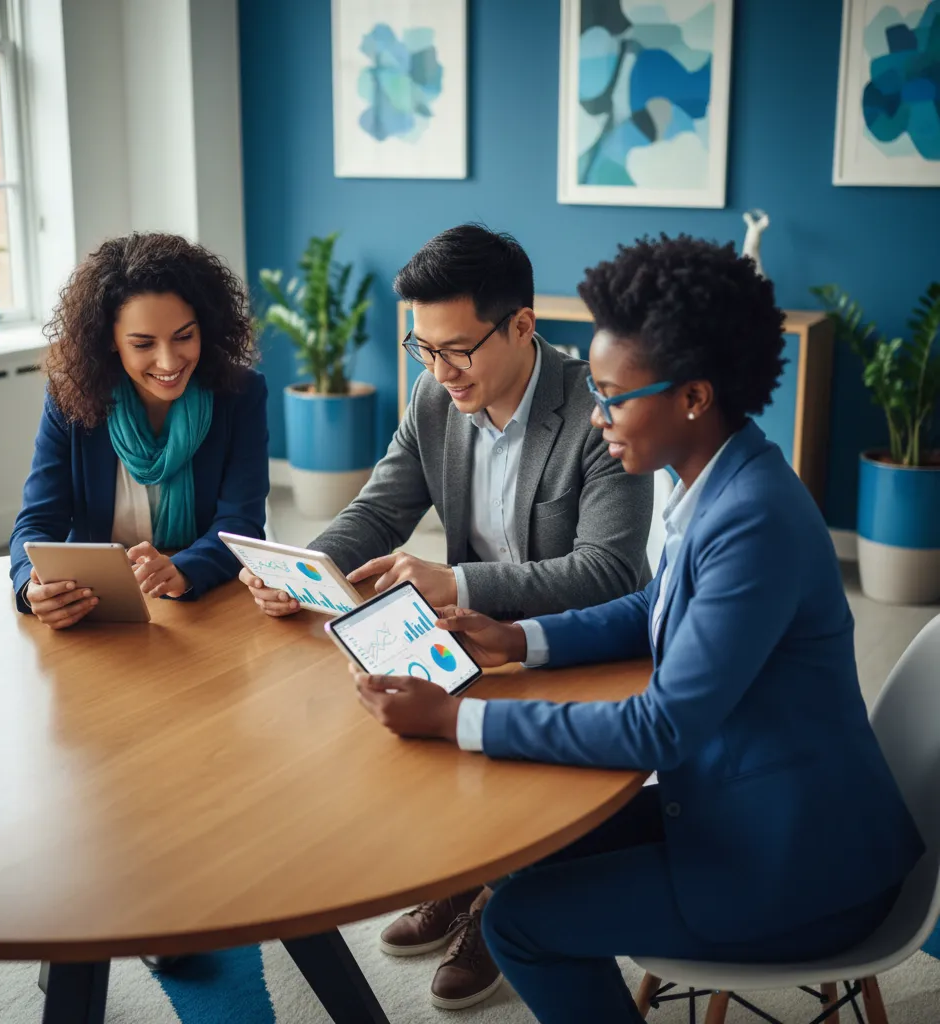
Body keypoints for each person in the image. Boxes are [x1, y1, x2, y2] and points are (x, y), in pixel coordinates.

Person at [349, 235, 925, 1020]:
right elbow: (651, 606)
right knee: (520, 846)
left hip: (797, 864)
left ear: (692, 396)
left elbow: (660, 730)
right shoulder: (721, 477)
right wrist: (516, 639)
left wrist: (457, 717)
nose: (597, 415)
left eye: (615, 396)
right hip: (752, 800)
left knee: (522, 923)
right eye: (596, 388)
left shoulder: (754, 520)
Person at [240, 224, 653, 1007]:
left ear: (522, 327)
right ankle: (469, 878)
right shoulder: (435, 396)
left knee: (482, 736)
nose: (438, 369)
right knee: (385, 713)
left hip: (584, 645)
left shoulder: (599, 410)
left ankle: (502, 900)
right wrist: (305, 571)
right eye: (421, 348)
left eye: (457, 349)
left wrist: (458, 582)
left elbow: (610, 572)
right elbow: (380, 508)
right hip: (475, 635)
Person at [10, 231, 269, 631]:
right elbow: (38, 522)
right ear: (110, 342)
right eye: (143, 344)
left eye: (184, 336)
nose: (168, 361)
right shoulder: (71, 397)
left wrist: (183, 569)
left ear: (206, 327)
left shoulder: (241, 394)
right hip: (95, 610)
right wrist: (32, 585)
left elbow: (241, 525)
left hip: (202, 610)